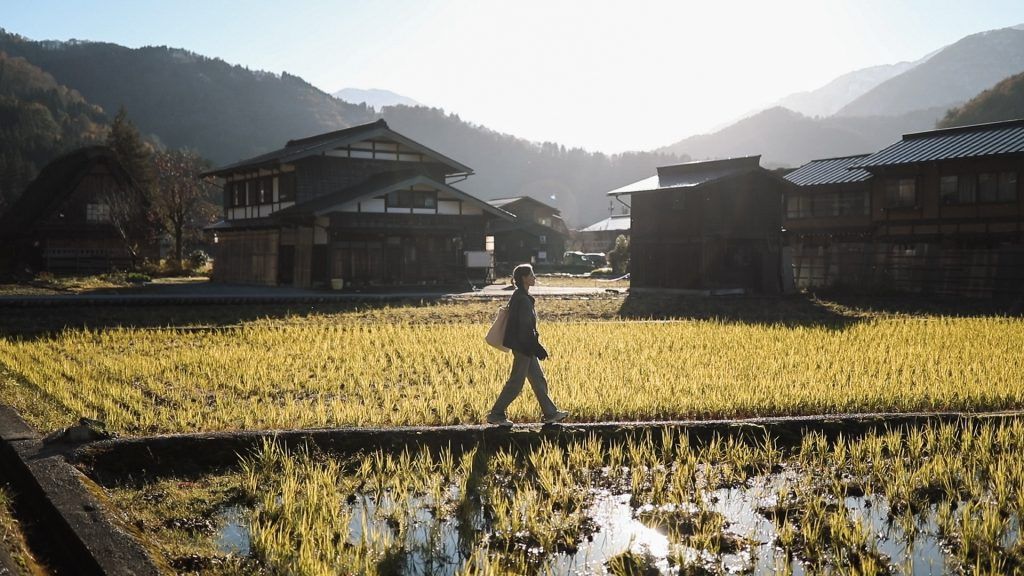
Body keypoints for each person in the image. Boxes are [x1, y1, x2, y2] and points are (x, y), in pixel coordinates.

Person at [486, 264, 569, 426]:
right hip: (523, 346)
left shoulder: (520, 295)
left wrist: (535, 346)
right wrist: (536, 347)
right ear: (524, 278)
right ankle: (496, 414)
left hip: (525, 345)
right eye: (532, 274)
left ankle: (550, 413)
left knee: (538, 379)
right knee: (516, 382)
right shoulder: (523, 299)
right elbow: (524, 328)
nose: (534, 277)